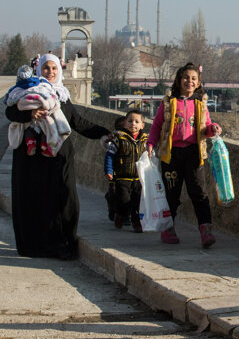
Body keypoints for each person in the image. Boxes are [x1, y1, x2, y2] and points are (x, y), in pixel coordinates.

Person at [5, 53, 111, 260]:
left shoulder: (61, 95)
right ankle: (34, 245)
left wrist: (105, 132)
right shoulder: (26, 91)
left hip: (59, 156)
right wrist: (29, 115)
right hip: (31, 157)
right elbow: (10, 113)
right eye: (46, 69)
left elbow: (78, 122)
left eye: (54, 69)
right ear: (39, 70)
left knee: (64, 198)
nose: (50, 73)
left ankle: (63, 244)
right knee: (33, 200)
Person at [146, 63, 222, 248]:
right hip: (171, 155)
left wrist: (213, 129)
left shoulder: (200, 104)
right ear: (179, 80)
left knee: (199, 193)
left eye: (194, 78)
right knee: (171, 194)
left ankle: (205, 230)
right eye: (186, 78)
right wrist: (150, 144)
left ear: (198, 83)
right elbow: (157, 126)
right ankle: (167, 228)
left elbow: (206, 127)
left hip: (194, 154)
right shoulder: (168, 102)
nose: (190, 81)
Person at [104, 109, 148, 233]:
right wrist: (109, 170)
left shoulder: (145, 140)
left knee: (138, 202)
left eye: (136, 121)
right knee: (123, 200)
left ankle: (136, 222)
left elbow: (150, 157)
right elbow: (109, 155)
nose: (133, 124)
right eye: (130, 121)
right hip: (122, 177)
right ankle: (120, 214)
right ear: (125, 123)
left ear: (142, 125)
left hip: (139, 177)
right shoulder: (118, 138)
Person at [104, 115, 128, 223]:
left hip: (128, 173)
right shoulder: (114, 140)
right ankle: (113, 208)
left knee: (128, 194)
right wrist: (109, 170)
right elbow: (109, 155)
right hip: (115, 172)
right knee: (114, 191)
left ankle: (126, 215)